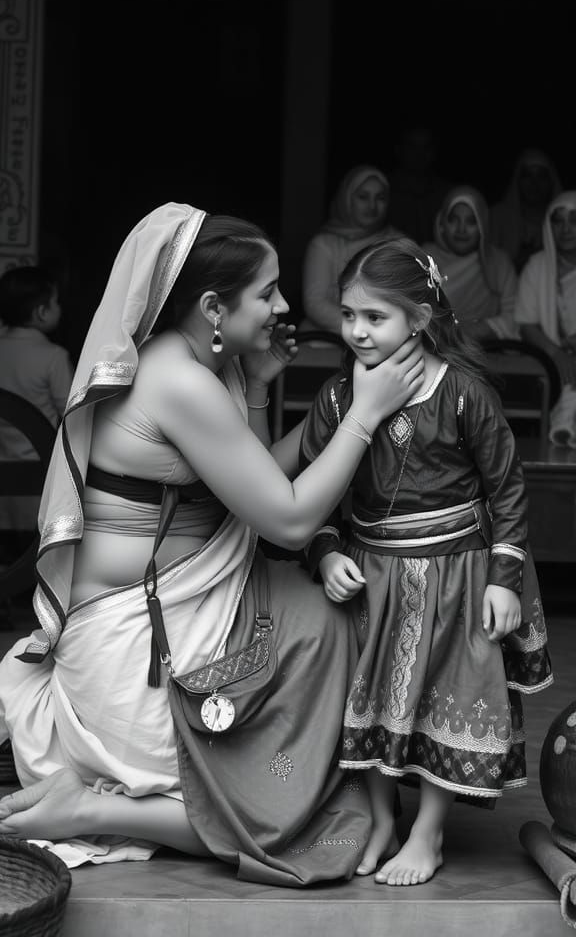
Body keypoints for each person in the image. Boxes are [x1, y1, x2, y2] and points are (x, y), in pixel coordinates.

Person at [0, 203, 425, 886]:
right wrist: (367, 416)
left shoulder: (202, 359)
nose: (284, 304)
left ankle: (289, 776)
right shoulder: (179, 381)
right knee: (294, 799)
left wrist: (257, 388)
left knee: (327, 616)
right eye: (266, 292)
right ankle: (90, 808)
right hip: (140, 652)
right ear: (211, 307)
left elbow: (251, 478)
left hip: (185, 607)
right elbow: (284, 521)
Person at [299, 238, 553, 887]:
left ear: (418, 319)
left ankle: (427, 831)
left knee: (448, 695)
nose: (356, 330)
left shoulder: (464, 394)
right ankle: (382, 819)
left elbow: (508, 491)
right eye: (349, 313)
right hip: (372, 578)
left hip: (458, 576)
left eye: (375, 317)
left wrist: (505, 582)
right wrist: (325, 552)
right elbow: (316, 492)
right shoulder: (336, 400)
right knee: (376, 698)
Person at [0, 266, 73, 538]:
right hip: (37, 474)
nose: (59, 309)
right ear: (41, 312)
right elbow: (71, 413)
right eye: (55, 302)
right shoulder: (53, 356)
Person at [300, 164, 400, 335]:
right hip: (329, 339)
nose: (372, 206)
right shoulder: (324, 244)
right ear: (347, 198)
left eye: (380, 198)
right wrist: (364, 329)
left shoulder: (399, 243)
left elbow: (407, 299)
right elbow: (316, 304)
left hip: (389, 339)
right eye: (363, 197)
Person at [515, 191, 576, 446]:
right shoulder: (536, 266)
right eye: (558, 221)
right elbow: (527, 325)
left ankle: (566, 426)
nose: (566, 228)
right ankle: (565, 428)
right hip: (549, 356)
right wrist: (556, 353)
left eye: (574, 220)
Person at [423, 185, 519, 344]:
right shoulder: (424, 258)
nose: (461, 229)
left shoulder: (498, 262)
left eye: (471, 221)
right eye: (453, 220)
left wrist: (478, 330)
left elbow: (516, 317)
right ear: (441, 224)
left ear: (483, 226)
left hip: (489, 353)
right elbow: (410, 313)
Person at [490, 149, 562, 273]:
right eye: (527, 175)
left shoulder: (564, 221)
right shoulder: (497, 217)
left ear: (551, 182)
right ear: (517, 181)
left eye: (541, 176)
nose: (534, 183)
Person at [386, 126, 452, 246]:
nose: (419, 154)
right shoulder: (384, 192)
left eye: (425, 147)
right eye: (412, 147)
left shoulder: (447, 194)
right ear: (399, 150)